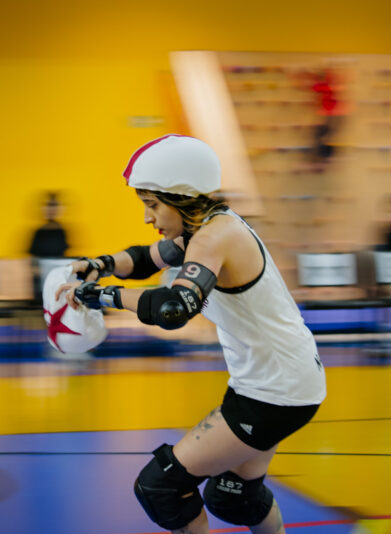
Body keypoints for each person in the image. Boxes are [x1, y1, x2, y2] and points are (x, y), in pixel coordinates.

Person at [55, 134, 326, 534]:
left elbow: (173, 308)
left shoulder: (215, 238)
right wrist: (100, 263)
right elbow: (146, 258)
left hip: (276, 392)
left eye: (152, 205)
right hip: (278, 383)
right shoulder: (206, 228)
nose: (148, 217)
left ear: (181, 197)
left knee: (161, 486)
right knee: (233, 497)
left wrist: (101, 296)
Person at [28, 192, 70, 304]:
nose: (51, 211)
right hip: (43, 278)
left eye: (54, 207)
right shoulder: (39, 232)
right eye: (49, 207)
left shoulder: (62, 232)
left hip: (58, 277)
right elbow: (33, 258)